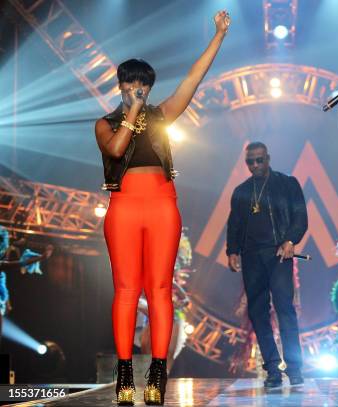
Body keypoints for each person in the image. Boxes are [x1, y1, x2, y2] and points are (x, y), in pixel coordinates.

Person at [94, 11, 230, 405]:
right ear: (120, 85)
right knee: (126, 289)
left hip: (162, 206)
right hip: (123, 208)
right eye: (130, 83)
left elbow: (193, 77)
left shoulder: (163, 114)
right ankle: (125, 373)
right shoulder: (104, 124)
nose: (136, 89)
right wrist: (131, 112)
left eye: (143, 84)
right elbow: (117, 149)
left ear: (150, 88)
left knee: (159, 290)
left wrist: (219, 36)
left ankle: (157, 371)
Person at [226, 142, 308, 388]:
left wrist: (290, 240)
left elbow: (301, 217)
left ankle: (294, 369)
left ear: (268, 158)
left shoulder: (287, 184)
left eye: (259, 160)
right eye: (250, 162)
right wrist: (232, 251)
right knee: (258, 313)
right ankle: (272, 368)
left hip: (278, 254)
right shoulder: (241, 191)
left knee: (285, 310)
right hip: (251, 257)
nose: (255, 165)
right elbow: (234, 224)